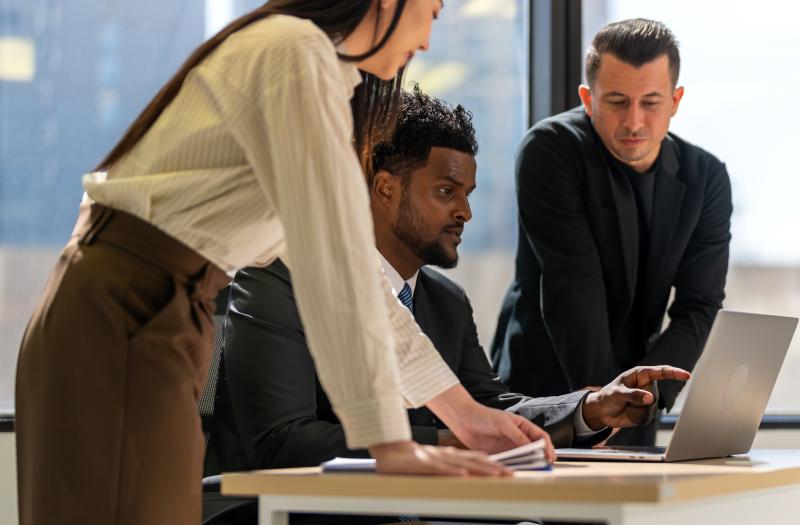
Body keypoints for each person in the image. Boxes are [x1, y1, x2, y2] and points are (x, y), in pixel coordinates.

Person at [15, 2, 546, 523]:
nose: (429, 39)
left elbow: (358, 283)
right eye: (431, 12)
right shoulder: (295, 54)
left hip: (158, 309)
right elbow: (331, 267)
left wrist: (467, 416)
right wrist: (389, 444)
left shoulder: (321, 73)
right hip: (126, 304)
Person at [205, 88, 688, 483]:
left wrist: (588, 408)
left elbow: (490, 407)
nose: (465, 213)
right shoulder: (276, 280)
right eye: (445, 192)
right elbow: (283, 443)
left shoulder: (444, 301)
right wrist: (449, 441)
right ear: (385, 188)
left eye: (468, 195)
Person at [492, 18, 733, 447]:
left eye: (651, 102)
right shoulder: (550, 150)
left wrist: (642, 395)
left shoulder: (706, 178)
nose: (634, 121)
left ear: (676, 100)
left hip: (639, 399)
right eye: (617, 101)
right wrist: (603, 405)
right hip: (547, 397)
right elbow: (573, 287)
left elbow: (700, 304)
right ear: (588, 98)